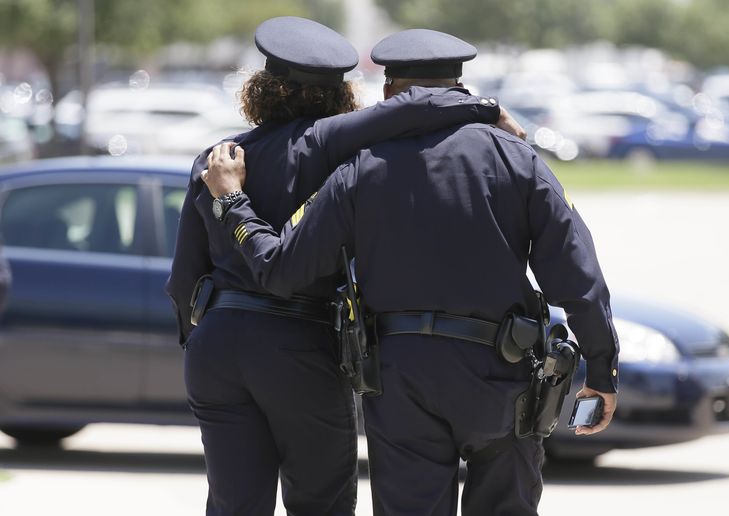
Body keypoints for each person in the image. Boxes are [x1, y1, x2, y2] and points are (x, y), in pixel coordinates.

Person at [202, 29, 619, 516]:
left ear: (388, 94)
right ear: (458, 85)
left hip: (402, 381)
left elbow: (280, 270)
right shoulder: (518, 159)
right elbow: (580, 278)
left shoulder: (361, 169)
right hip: (502, 375)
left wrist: (233, 204)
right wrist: (603, 369)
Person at [166, 18, 510, 516]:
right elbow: (411, 108)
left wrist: (198, 342)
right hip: (298, 345)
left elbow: (182, 279)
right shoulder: (328, 142)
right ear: (339, 95)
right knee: (321, 500)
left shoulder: (216, 158)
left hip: (216, 347)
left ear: (260, 89)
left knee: (233, 503)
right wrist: (485, 106)